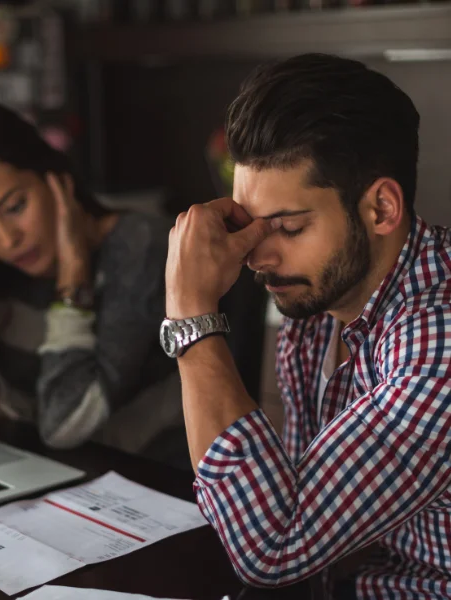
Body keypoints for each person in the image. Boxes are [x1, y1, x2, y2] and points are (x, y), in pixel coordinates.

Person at [161, 54, 451, 599]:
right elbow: (287, 507)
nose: (257, 257)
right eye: (249, 227)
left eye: (288, 226)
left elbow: (274, 544)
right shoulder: (318, 305)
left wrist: (191, 316)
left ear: (382, 208)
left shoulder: (439, 341)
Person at [0, 100, 181, 456]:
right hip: (34, 477)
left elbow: (64, 426)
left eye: (14, 207)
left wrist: (73, 280)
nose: (7, 240)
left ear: (53, 176)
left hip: (142, 482)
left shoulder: (139, 247)